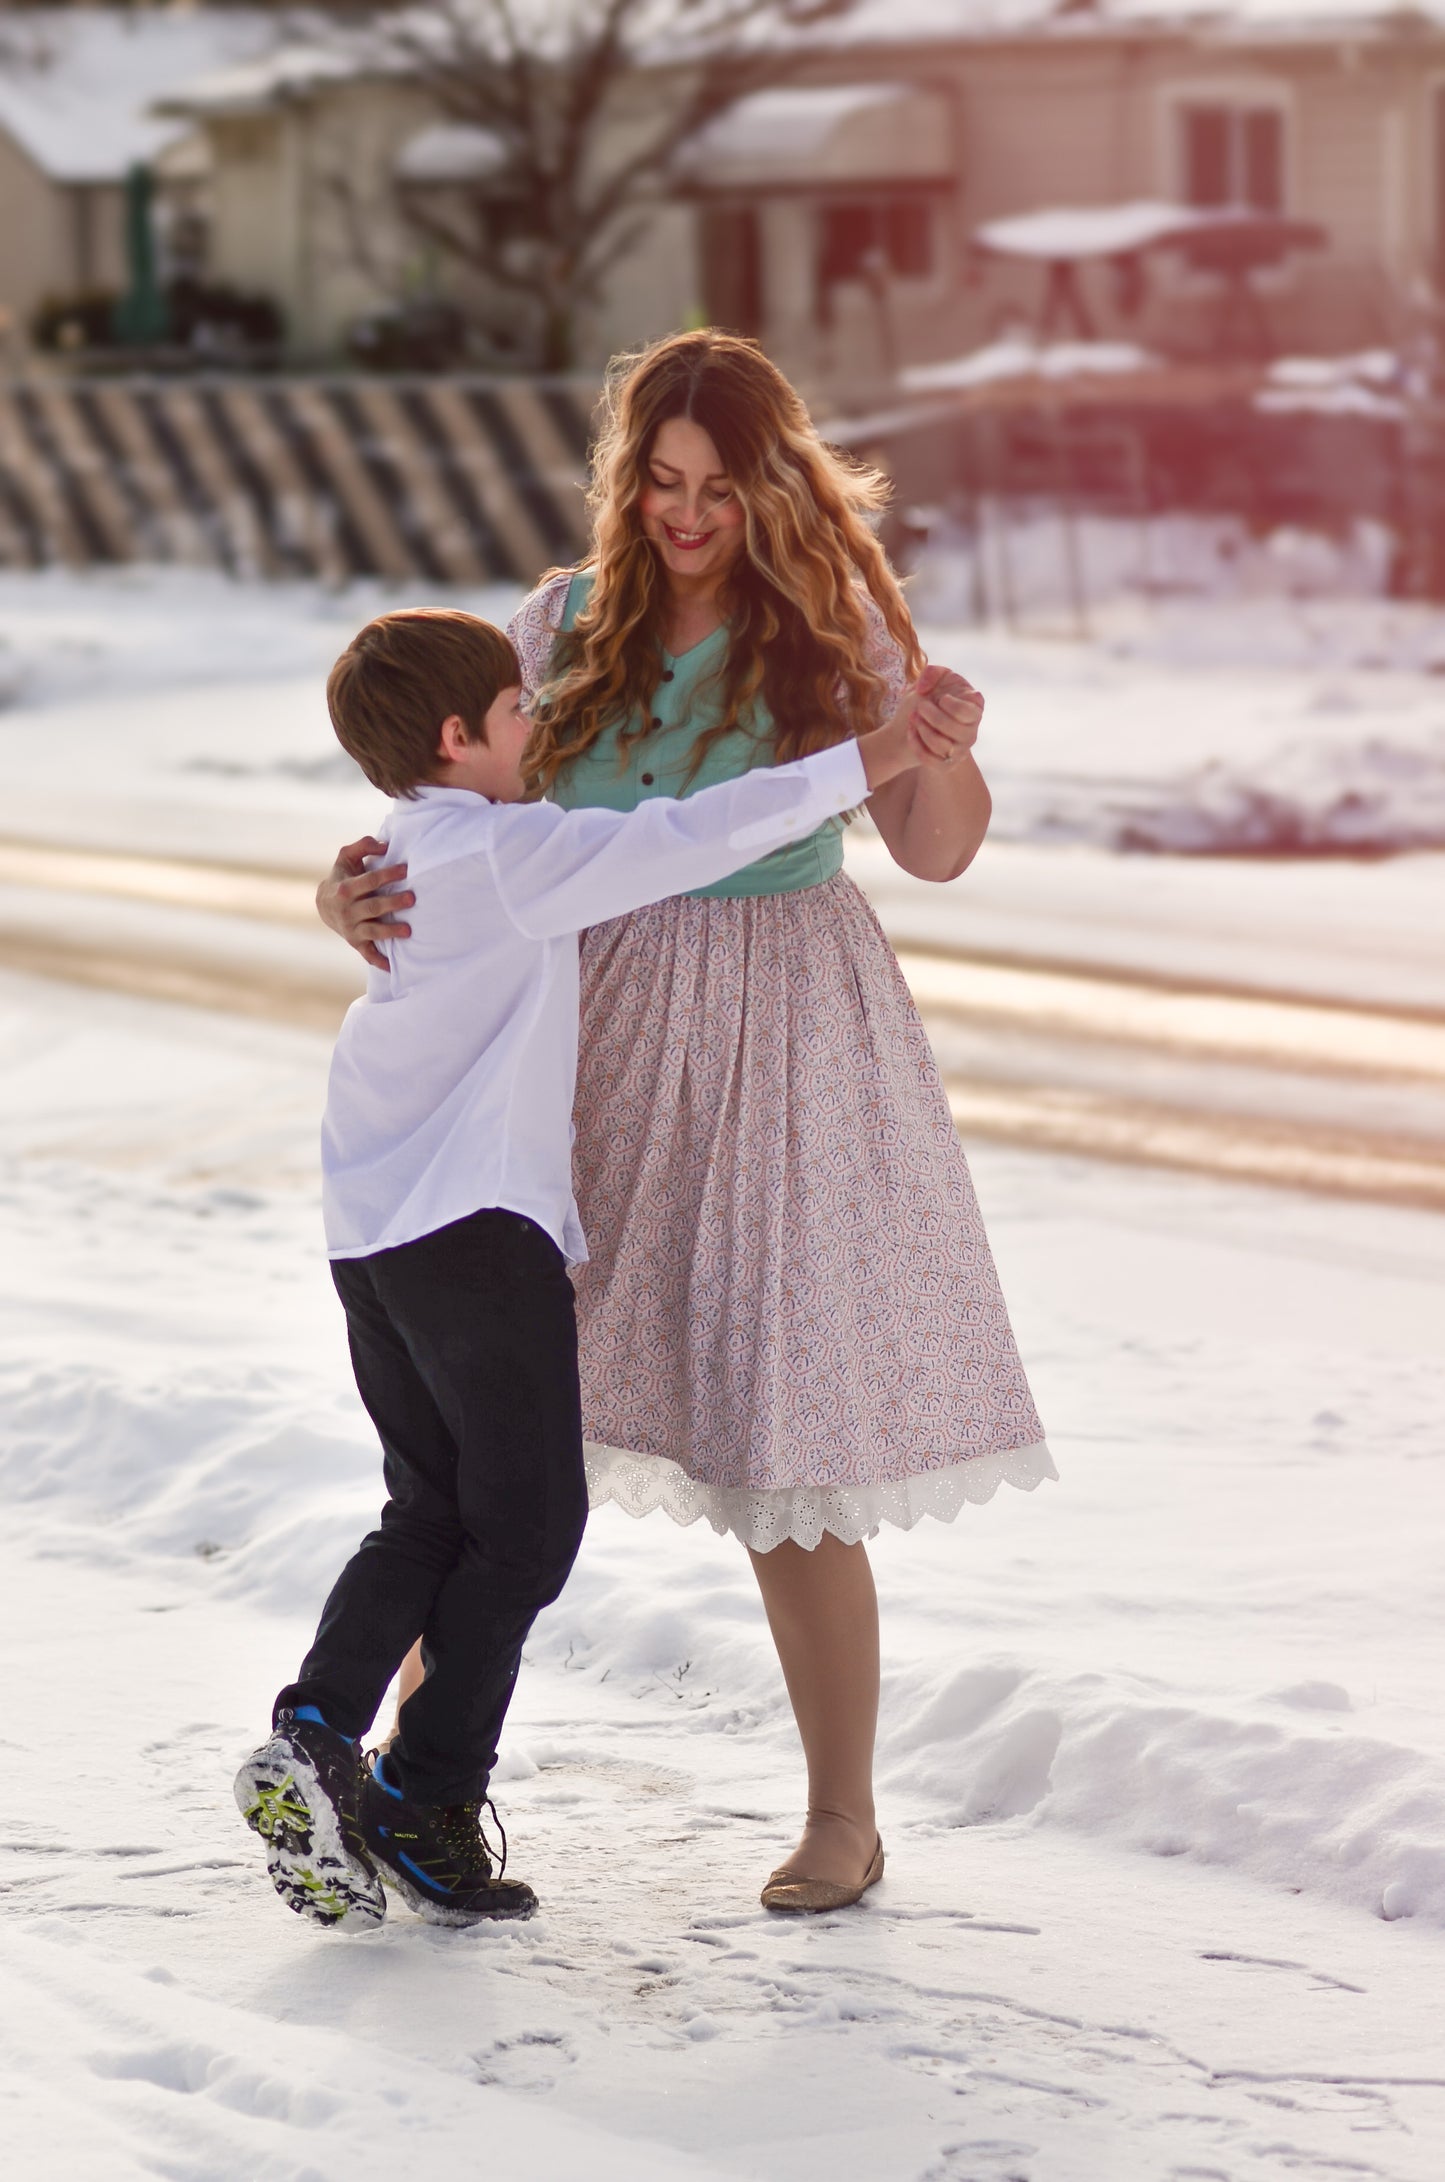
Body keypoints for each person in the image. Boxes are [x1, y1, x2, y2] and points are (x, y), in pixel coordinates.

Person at [320, 331, 1052, 1917]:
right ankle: (410, 1775)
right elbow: (446, 828)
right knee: (498, 1427)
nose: (686, 514)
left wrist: (941, 740)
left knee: (774, 1420)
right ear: (624, 476)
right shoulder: (556, 624)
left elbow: (932, 850)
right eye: (659, 483)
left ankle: (842, 1814)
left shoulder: (830, 622)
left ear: (772, 479)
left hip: (779, 1028)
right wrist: (346, 894)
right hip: (572, 1042)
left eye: (719, 488)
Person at [237, 603, 968, 1931]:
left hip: (370, 1233)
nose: (540, 731)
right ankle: (415, 1786)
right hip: (479, 1235)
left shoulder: (400, 843)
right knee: (524, 1529)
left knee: (426, 1512)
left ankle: (315, 1729)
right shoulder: (514, 852)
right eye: (519, 717)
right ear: (459, 739)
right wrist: (872, 751)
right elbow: (699, 829)